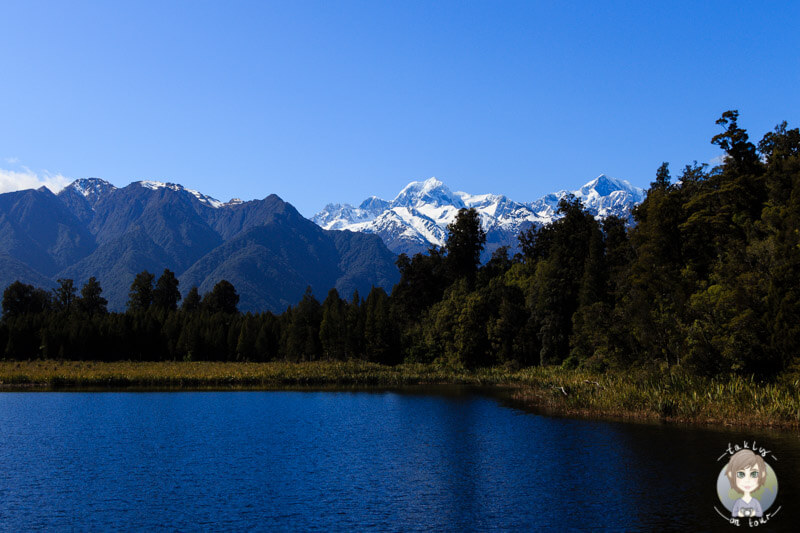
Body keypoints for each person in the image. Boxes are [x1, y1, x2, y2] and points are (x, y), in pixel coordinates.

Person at [725, 449, 767, 517]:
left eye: (754, 474)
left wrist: (753, 513)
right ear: (731, 475)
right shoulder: (738, 502)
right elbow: (733, 514)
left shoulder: (755, 502)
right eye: (741, 474)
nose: (747, 480)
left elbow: (760, 514)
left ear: (762, 474)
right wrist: (739, 514)